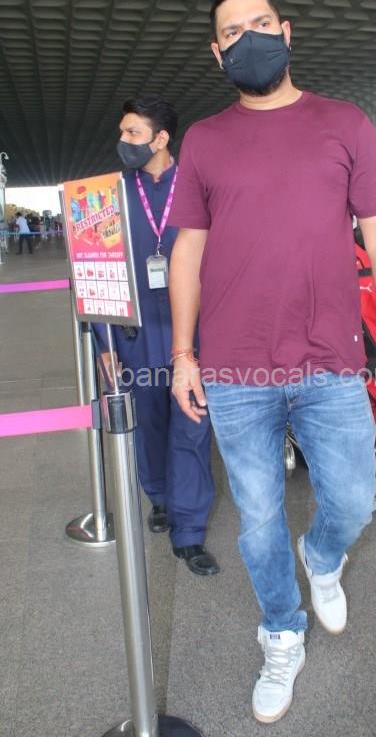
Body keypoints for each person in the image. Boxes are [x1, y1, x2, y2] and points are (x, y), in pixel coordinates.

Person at [168, 0, 376, 723]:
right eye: (232, 32)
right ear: (217, 53)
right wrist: (182, 353)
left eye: (260, 23)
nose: (248, 38)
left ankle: (324, 557)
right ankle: (281, 631)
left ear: (286, 31)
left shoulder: (343, 123)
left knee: (354, 500)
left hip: (330, 361)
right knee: (257, 521)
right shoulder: (205, 140)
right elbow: (188, 251)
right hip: (235, 367)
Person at [93, 95, 219, 576]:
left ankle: (189, 531)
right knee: (149, 424)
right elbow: (92, 271)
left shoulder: (201, 187)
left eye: (133, 133)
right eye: (121, 132)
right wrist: (104, 343)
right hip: (135, 333)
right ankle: (161, 497)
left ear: (162, 138)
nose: (122, 141)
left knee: (192, 425)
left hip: (196, 332)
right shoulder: (107, 198)